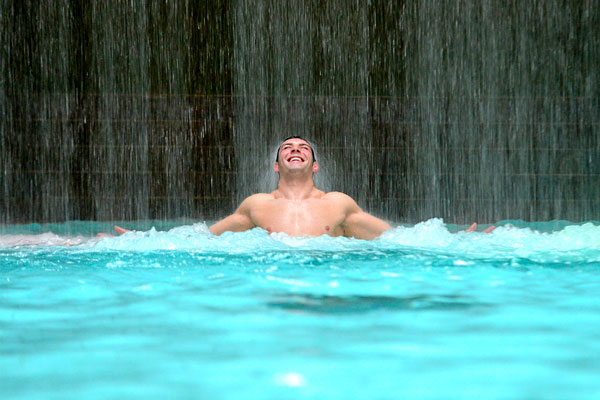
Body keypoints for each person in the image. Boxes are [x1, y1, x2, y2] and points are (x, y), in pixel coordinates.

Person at [106, 136, 495, 239]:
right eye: (288, 149)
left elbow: (399, 239)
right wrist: (143, 238)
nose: (296, 150)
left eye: (303, 148)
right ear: (276, 166)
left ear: (314, 164)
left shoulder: (339, 203)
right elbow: (200, 239)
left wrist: (457, 239)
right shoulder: (256, 205)